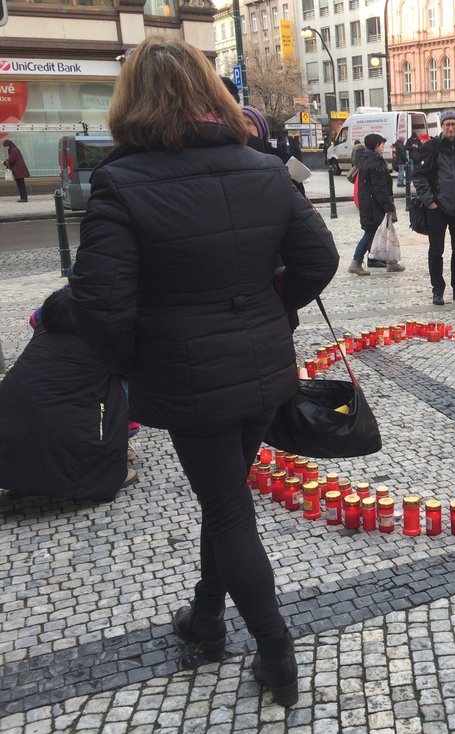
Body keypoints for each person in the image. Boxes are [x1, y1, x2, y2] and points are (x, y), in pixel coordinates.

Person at [68, 37, 339, 707]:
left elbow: (100, 304)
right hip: (261, 365)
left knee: (225, 507)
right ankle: (205, 617)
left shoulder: (121, 181)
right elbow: (318, 259)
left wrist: (135, 359)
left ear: (131, 100)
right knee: (225, 502)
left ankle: (275, 651)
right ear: (209, 93)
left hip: (191, 377)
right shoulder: (261, 168)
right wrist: (268, 308)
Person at [0, 288, 133, 501]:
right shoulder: (98, 347)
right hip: (75, 470)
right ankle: (110, 461)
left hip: (9, 466)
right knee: (118, 385)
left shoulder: (38, 344)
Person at [413, 108, 455, 305]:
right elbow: (419, 176)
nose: (450, 127)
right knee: (436, 251)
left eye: (454, 124)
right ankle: (438, 290)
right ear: (442, 126)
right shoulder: (432, 147)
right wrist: (430, 202)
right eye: (447, 124)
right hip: (438, 209)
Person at [349, 133, 403, 275]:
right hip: (374, 205)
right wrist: (388, 207)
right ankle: (356, 262)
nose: (383, 147)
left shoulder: (366, 160)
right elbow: (379, 188)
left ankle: (391, 262)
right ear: (375, 146)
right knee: (371, 233)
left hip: (369, 203)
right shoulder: (375, 162)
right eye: (381, 144)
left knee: (385, 231)